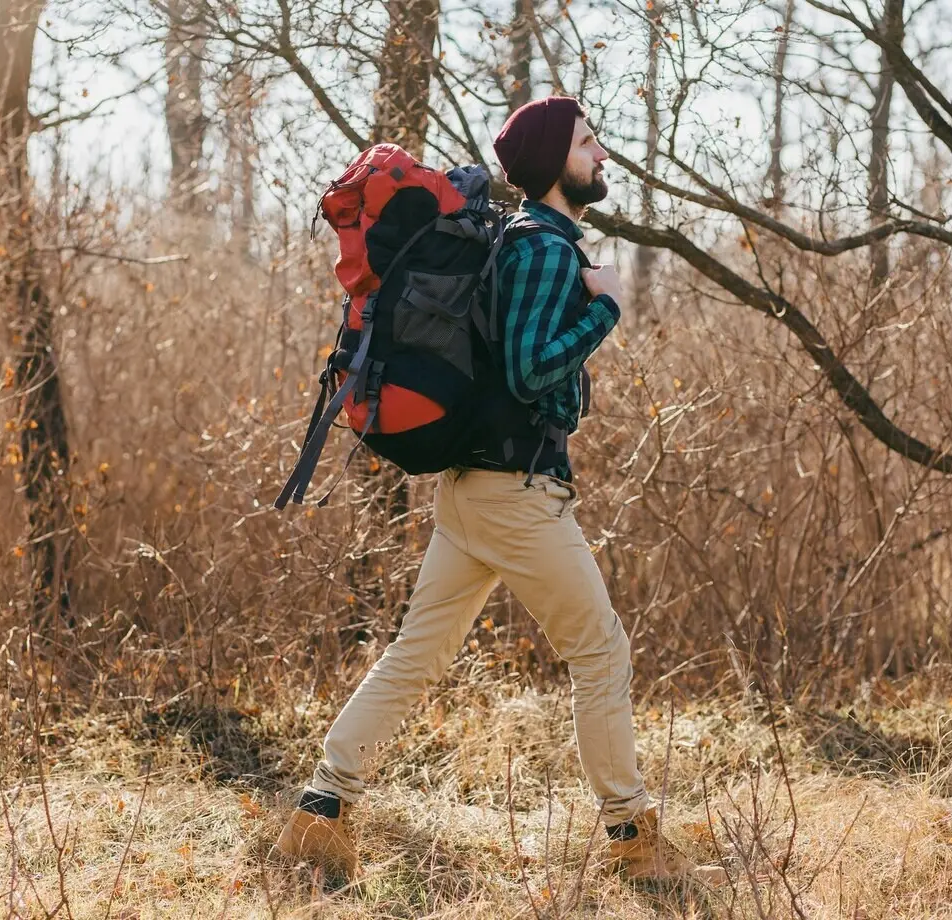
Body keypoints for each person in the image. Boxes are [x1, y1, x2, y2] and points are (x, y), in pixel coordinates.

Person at [274, 96, 724, 887]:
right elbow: (528, 370)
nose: (602, 155)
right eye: (588, 143)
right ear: (554, 162)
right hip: (516, 494)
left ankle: (321, 811)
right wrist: (606, 309)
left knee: (414, 658)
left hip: (473, 490)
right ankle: (634, 840)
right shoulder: (543, 249)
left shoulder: (524, 242)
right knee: (601, 654)